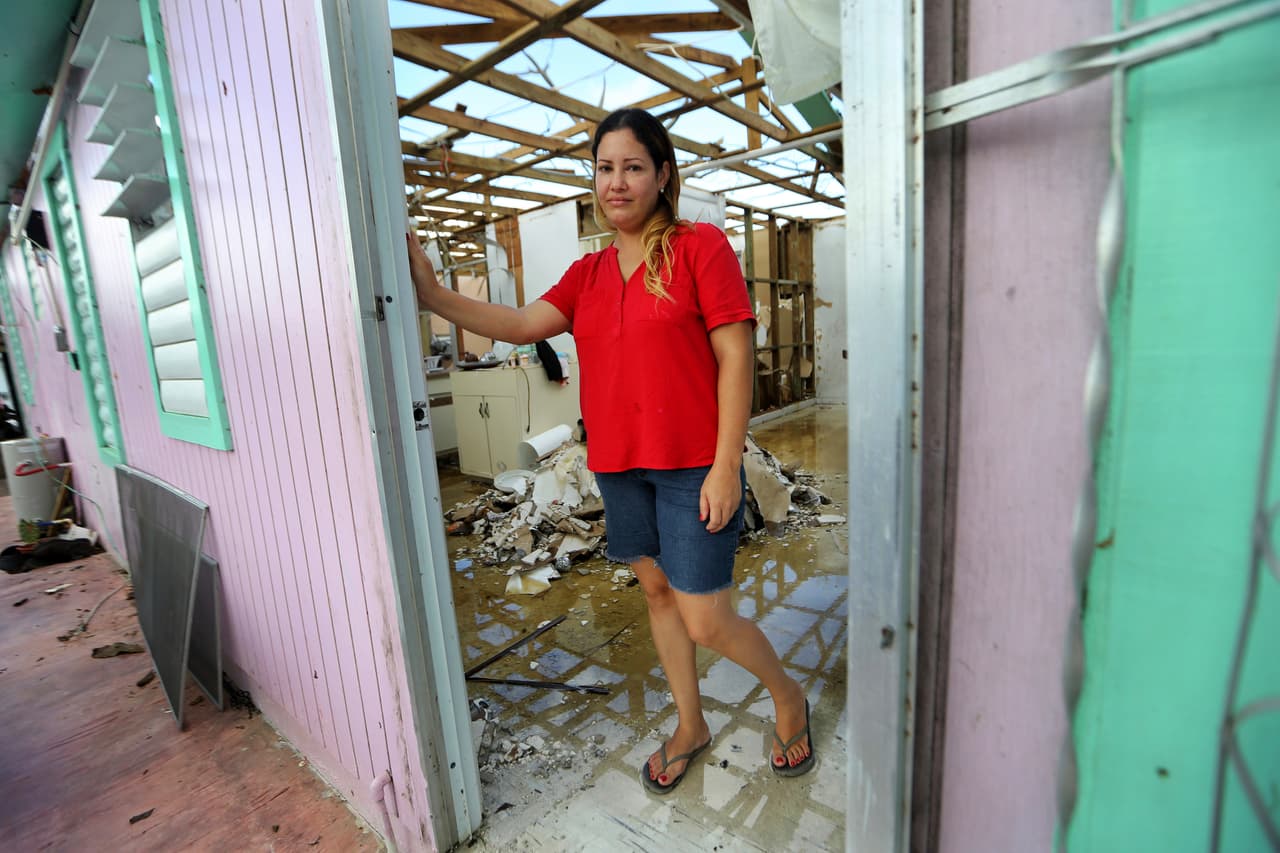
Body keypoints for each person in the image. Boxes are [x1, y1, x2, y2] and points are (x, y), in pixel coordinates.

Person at [407, 107, 814, 793]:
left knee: (706, 616)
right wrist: (432, 293)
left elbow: (735, 357)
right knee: (656, 591)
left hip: (692, 465)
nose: (616, 183)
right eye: (604, 168)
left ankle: (787, 695)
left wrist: (725, 464)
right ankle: (692, 722)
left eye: (632, 167)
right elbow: (516, 321)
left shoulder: (699, 248)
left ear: (662, 174)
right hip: (621, 466)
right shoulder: (588, 273)